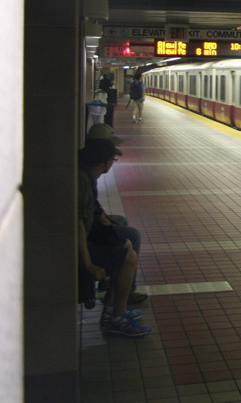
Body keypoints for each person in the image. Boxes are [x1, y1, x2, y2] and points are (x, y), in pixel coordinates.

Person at [78, 139, 151, 337]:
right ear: (104, 162)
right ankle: (117, 315)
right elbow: (78, 227)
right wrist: (88, 265)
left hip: (89, 236)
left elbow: (93, 212)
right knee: (129, 252)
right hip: (78, 247)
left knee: (127, 242)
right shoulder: (81, 181)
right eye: (113, 159)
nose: (112, 163)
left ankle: (113, 310)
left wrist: (109, 222)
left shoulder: (85, 176)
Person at [86, 123, 147, 304]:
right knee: (132, 235)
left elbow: (94, 207)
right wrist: (88, 265)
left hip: (90, 227)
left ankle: (116, 281)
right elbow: (81, 224)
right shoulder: (87, 175)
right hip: (87, 235)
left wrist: (106, 218)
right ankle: (126, 292)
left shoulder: (88, 170)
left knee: (120, 220)